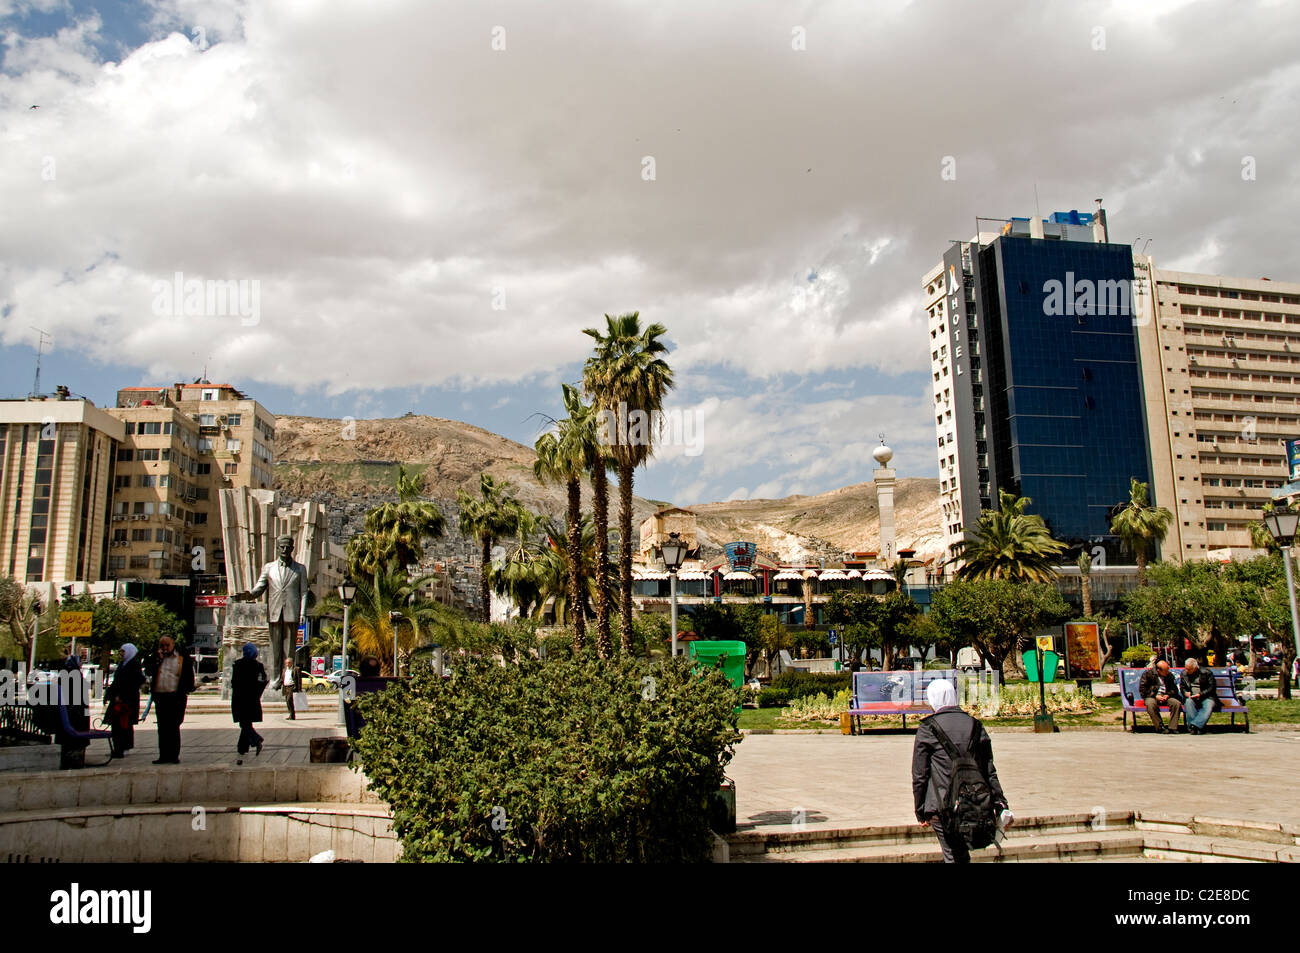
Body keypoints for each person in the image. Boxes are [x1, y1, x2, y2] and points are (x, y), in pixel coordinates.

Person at [912, 679, 1010, 863]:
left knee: (952, 854)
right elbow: (988, 769)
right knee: (960, 855)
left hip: (941, 806)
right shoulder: (975, 725)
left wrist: (920, 810)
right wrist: (1000, 802)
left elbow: (920, 775)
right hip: (975, 802)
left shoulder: (927, 728)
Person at [236, 535, 309, 688]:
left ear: (292, 548)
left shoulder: (300, 568)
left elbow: (303, 592)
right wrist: (247, 595)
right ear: (277, 548)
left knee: (289, 649)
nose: (284, 549)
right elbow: (259, 588)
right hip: (275, 612)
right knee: (275, 648)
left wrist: (302, 612)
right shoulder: (269, 567)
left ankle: (287, 679)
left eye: (287, 547)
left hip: (292, 612)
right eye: (282, 546)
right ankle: (275, 679)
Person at [145, 637, 196, 764]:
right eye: (162, 645)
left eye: (167, 645)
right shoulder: (157, 658)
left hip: (175, 697)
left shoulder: (181, 658)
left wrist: (186, 690)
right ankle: (163, 755)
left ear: (173, 644)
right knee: (162, 728)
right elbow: (148, 671)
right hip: (160, 697)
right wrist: (157, 659)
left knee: (173, 727)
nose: (165, 648)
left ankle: (173, 755)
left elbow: (189, 676)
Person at [102, 643, 144, 757]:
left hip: (127, 701)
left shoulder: (134, 664)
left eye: (123, 651)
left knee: (125, 724)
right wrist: (109, 695)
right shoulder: (122, 664)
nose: (121, 653)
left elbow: (134, 682)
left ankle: (123, 747)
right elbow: (117, 681)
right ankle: (117, 748)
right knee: (116, 724)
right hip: (117, 700)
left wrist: (123, 696)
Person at [231, 643, 267, 764]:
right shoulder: (258, 666)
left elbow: (234, 682)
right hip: (252, 699)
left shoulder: (238, 664)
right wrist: (257, 692)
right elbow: (263, 680)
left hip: (240, 698)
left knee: (244, 723)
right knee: (246, 722)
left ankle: (256, 739)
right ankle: (242, 748)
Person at [1138, 659, 1184, 733]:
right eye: (1166, 671)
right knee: (1150, 704)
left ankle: (1173, 727)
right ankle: (1160, 727)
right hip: (1152, 696)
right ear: (1158, 670)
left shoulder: (1169, 675)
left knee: (1176, 703)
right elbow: (1143, 690)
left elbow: (1174, 689)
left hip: (1165, 696)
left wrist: (1168, 695)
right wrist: (1155, 696)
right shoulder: (1148, 674)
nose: (1167, 672)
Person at [1180, 657, 1219, 735]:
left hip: (1206, 696)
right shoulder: (1184, 674)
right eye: (1186, 668)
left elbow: (1212, 687)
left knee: (1208, 706)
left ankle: (1194, 726)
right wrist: (1185, 693)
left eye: (1189, 669)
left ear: (1195, 668)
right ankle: (1197, 728)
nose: (1186, 671)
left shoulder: (1206, 673)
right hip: (1192, 697)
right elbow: (1182, 687)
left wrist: (1200, 694)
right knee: (1188, 702)